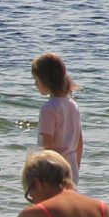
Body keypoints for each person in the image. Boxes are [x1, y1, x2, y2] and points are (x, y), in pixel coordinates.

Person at [33, 51, 83, 182]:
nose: (35, 84)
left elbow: (48, 145)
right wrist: (76, 167)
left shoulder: (48, 109)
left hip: (54, 171)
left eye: (36, 80)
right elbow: (79, 142)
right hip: (71, 168)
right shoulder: (73, 105)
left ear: (45, 80)